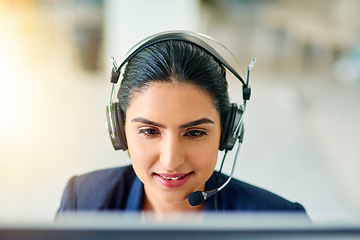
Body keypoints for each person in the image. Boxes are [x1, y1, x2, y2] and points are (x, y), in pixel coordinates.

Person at [57, 31, 307, 214]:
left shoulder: (280, 221)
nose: (171, 161)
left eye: (195, 133)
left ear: (227, 133)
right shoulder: (82, 201)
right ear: (119, 131)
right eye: (149, 131)